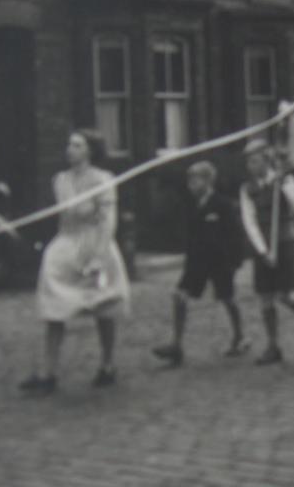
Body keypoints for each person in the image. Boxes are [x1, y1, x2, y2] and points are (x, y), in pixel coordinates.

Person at [19, 130, 130, 395]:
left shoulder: (103, 180)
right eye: (69, 144)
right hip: (66, 246)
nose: (70, 149)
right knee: (53, 309)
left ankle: (107, 365)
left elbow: (108, 221)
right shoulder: (60, 180)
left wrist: (98, 257)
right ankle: (49, 372)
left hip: (95, 244)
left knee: (104, 306)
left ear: (90, 150)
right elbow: (64, 219)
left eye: (77, 145)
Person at [152, 161, 249, 367]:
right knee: (179, 297)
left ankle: (240, 336)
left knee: (227, 298)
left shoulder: (223, 204)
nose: (191, 184)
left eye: (196, 179)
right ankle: (176, 346)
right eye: (189, 180)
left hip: (220, 262)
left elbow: (236, 235)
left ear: (208, 181)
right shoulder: (191, 204)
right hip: (197, 263)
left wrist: (235, 261)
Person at [239, 138, 294, 365]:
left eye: (255, 161)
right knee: (265, 296)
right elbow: (250, 221)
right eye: (248, 162)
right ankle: (273, 346)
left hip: (286, 242)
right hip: (263, 246)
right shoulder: (247, 189)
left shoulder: (285, 179)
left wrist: (284, 184)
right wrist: (263, 251)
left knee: (286, 295)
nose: (251, 167)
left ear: (267, 160)